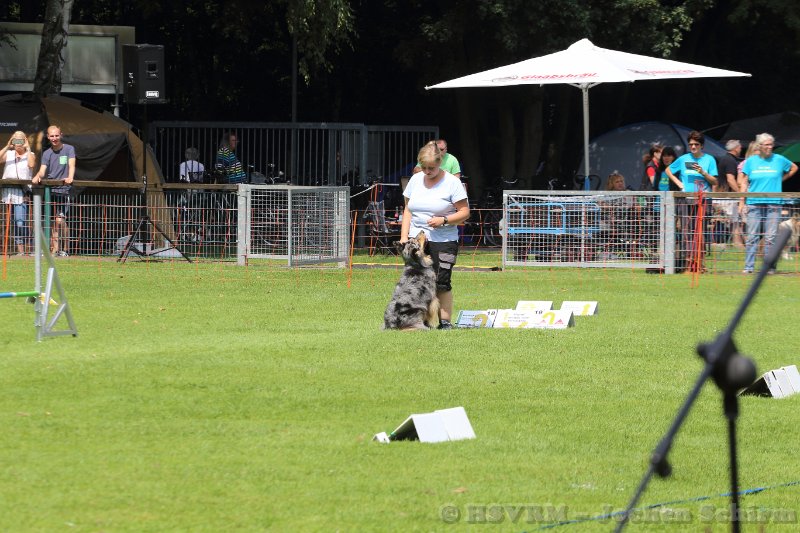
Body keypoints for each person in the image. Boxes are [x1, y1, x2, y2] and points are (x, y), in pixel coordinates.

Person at [401, 142, 469, 330]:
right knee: (416, 281)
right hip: (416, 240)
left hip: (443, 239)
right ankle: (418, 321)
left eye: (431, 168)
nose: (427, 171)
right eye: (424, 167)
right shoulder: (415, 180)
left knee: (441, 282)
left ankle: (444, 323)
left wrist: (444, 220)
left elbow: (464, 212)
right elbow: (407, 209)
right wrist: (404, 237)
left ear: (440, 162)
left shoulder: (452, 183)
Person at [738, 132, 798, 274]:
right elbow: (744, 182)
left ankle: (769, 268)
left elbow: (794, 168)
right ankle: (748, 267)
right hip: (754, 202)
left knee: (771, 237)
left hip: (774, 203)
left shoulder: (779, 159)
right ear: (759, 146)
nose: (769, 147)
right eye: (766, 145)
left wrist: (781, 179)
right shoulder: (751, 162)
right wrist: (742, 201)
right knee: (752, 236)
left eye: (771, 144)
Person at [665, 130, 718, 273]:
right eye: (691, 144)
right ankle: (689, 264)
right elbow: (668, 170)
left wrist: (703, 172)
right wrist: (679, 183)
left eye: (696, 144)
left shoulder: (709, 160)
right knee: (686, 232)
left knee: (699, 232)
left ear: (702, 146)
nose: (693, 147)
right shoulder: (683, 159)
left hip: (703, 199)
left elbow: (715, 181)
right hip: (685, 199)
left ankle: (700, 264)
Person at [32, 125, 76, 256]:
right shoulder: (47, 153)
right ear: (48, 137)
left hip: (64, 190)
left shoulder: (69, 149)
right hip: (50, 191)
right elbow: (42, 170)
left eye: (56, 135)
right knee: (52, 222)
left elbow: (72, 165)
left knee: (60, 220)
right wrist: (37, 176)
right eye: (52, 136)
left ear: (61, 135)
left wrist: (70, 177)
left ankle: (66, 249)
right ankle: (55, 250)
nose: (54, 138)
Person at [1, 131, 36, 255]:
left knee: (21, 222)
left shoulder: (30, 154)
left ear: (25, 140)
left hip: (22, 190)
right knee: (14, 222)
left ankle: (30, 247)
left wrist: (28, 147)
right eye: (16, 140)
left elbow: (31, 164)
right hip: (8, 191)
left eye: (20, 140)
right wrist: (7, 145)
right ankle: (21, 251)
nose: (18, 144)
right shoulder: (9, 153)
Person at [715, 139, 743, 247]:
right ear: (735, 148)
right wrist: (740, 193)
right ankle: (736, 242)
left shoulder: (724, 158)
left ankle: (735, 242)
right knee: (734, 221)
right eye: (740, 147)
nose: (741, 149)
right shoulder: (730, 161)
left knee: (729, 220)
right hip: (727, 196)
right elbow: (730, 179)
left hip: (723, 195)